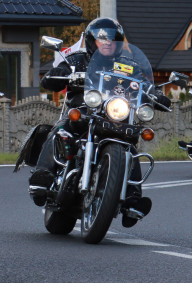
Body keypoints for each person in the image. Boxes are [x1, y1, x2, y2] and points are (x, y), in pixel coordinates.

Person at [28, 17, 168, 221]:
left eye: (112, 39)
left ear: (118, 43)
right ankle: (43, 176)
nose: (107, 43)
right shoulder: (76, 60)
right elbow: (52, 79)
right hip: (84, 112)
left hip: (116, 117)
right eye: (101, 39)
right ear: (92, 41)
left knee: (130, 148)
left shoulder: (129, 66)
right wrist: (59, 74)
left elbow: (145, 84)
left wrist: (156, 94)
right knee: (61, 129)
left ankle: (132, 197)